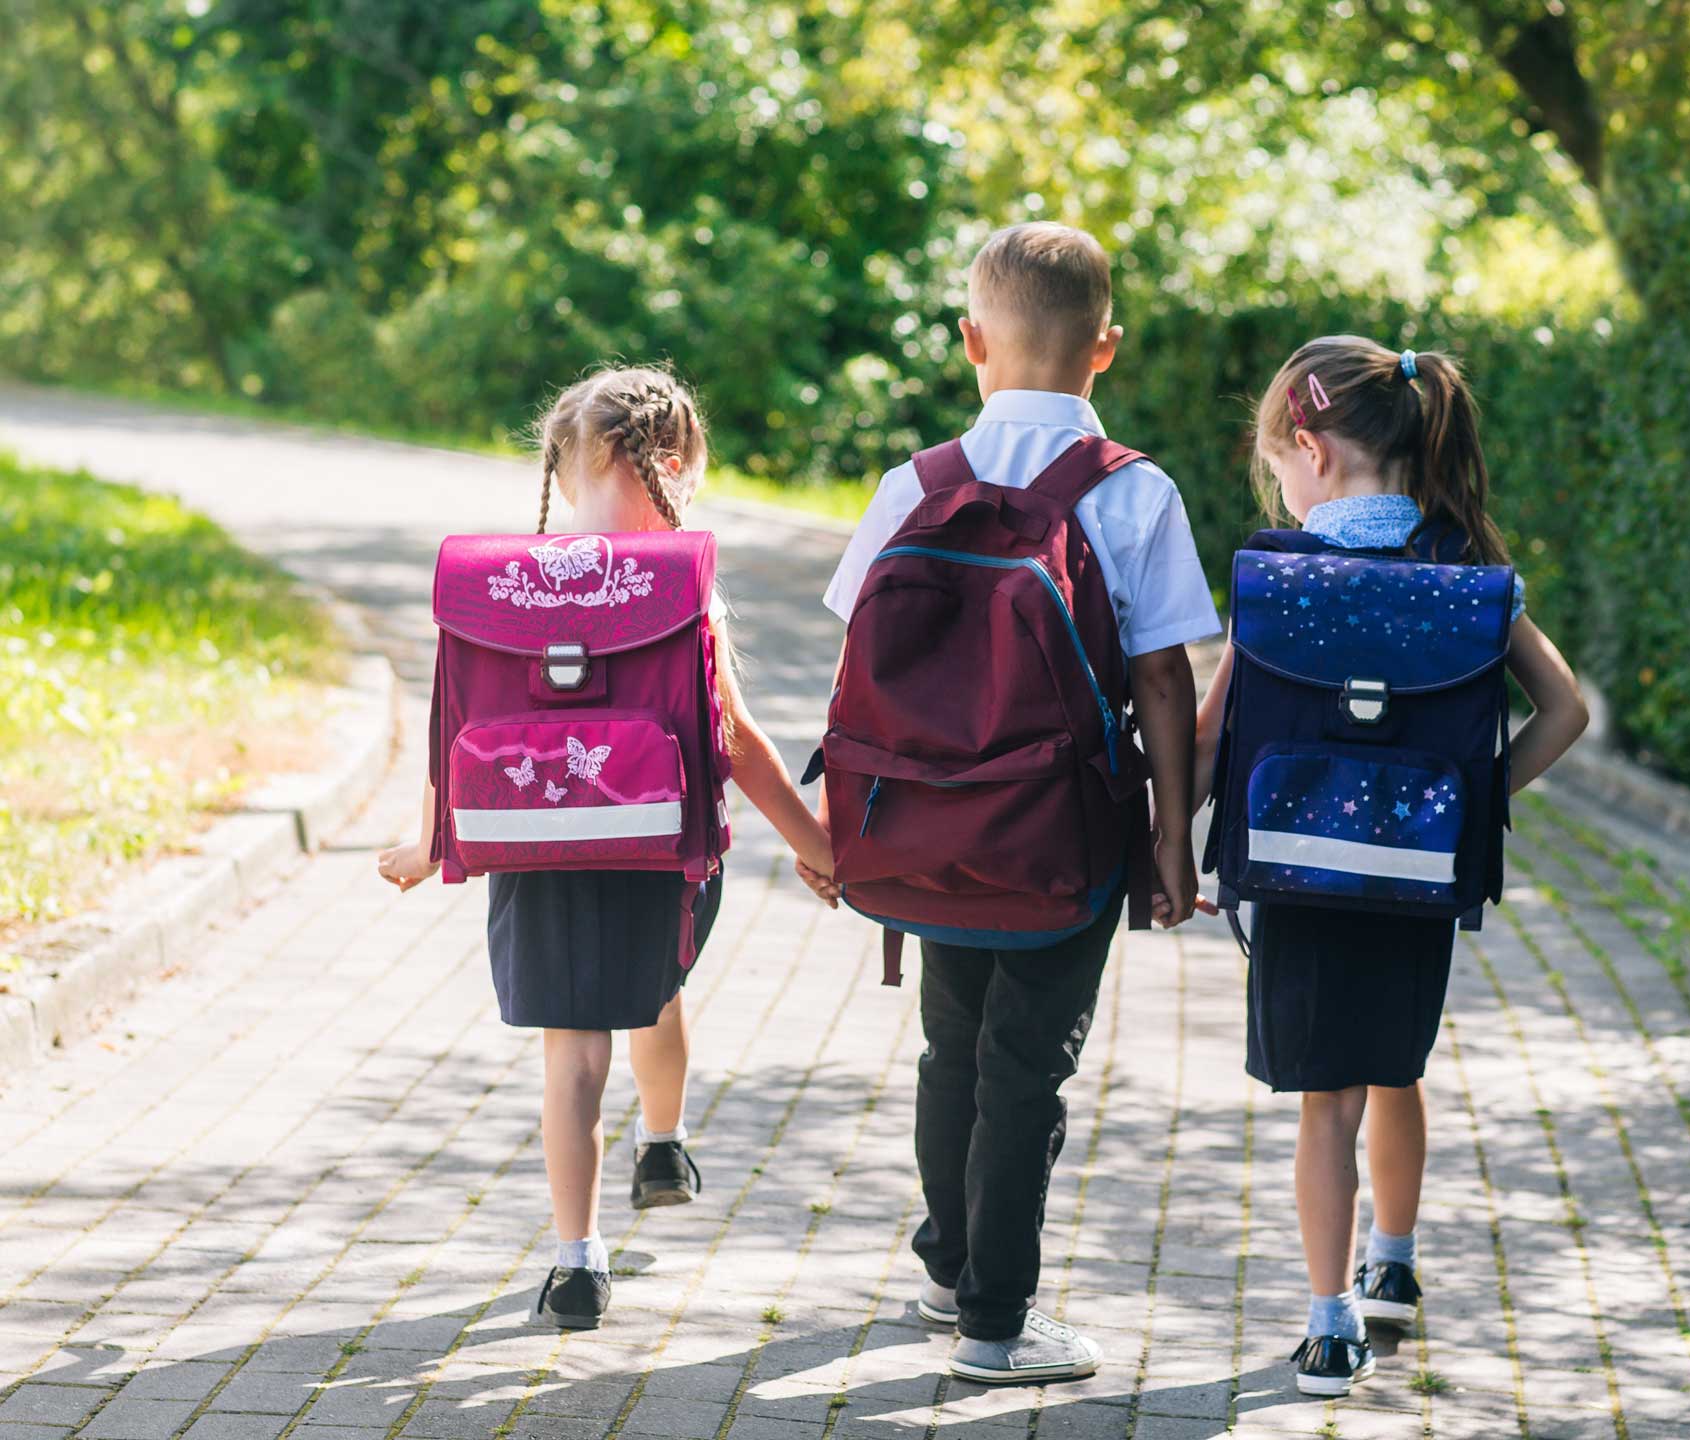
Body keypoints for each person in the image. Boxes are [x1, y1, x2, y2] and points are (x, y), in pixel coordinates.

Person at [803, 222, 1221, 1384]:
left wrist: (845, 826)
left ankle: (947, 1266)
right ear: (1107, 350)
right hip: (1063, 837)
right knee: (1025, 1067)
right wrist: (1170, 843)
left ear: (970, 342)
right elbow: (1163, 679)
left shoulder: (915, 482)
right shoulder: (1130, 492)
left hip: (925, 824)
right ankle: (995, 1322)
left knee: (953, 1048)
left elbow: (858, 662)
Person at [377, 365, 835, 1330]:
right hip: (655, 850)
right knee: (652, 997)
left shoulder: (503, 585)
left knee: (571, 1060)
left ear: (560, 461)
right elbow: (735, 738)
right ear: (672, 463)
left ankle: (576, 1254)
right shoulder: (670, 582)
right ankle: (663, 1139)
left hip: (538, 847)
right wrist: (819, 843)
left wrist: (431, 838)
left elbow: (457, 712)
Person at [1193, 336, 1589, 1396]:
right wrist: (1473, 809)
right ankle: (1396, 1267)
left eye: (1275, 458)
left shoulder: (1280, 584)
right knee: (1395, 1066)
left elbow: (1205, 746)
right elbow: (1568, 711)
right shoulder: (1467, 579)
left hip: (1295, 872)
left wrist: (1156, 854)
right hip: (1420, 875)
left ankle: (1329, 1329)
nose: (1277, 479)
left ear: (1310, 448)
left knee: (1325, 1099)